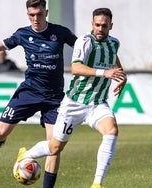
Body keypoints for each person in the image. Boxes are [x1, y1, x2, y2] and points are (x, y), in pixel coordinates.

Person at [0, 0, 77, 187]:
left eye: (39, 14)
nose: (36, 18)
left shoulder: (60, 32)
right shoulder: (23, 34)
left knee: (54, 146)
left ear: (46, 11)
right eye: (31, 15)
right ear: (27, 14)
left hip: (54, 98)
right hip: (29, 92)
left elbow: (84, 48)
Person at [16, 8, 127, 188]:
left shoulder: (114, 43)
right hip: (74, 103)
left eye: (104, 26)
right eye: (97, 25)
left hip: (97, 104)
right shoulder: (84, 42)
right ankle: (26, 154)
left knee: (112, 131)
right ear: (92, 24)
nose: (100, 29)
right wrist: (105, 73)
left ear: (110, 26)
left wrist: (122, 75)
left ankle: (97, 184)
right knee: (54, 148)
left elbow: (112, 57)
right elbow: (76, 68)